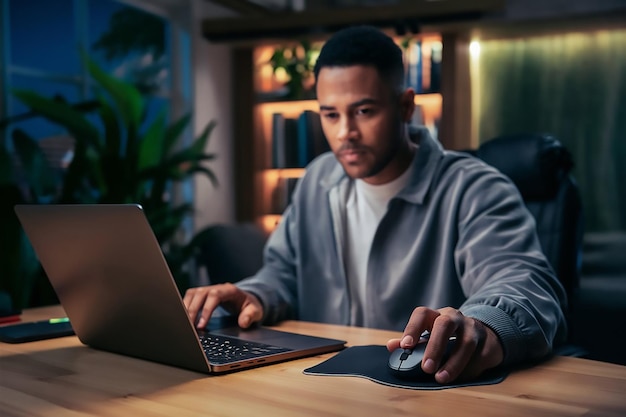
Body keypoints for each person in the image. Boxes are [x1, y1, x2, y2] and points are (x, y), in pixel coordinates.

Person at [184, 25, 567, 384]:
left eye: (364, 111)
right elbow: (283, 274)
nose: (345, 133)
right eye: (330, 115)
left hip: (422, 395)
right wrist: (253, 295)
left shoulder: (476, 188)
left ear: (405, 106)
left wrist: (481, 326)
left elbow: (524, 285)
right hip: (323, 387)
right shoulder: (317, 180)